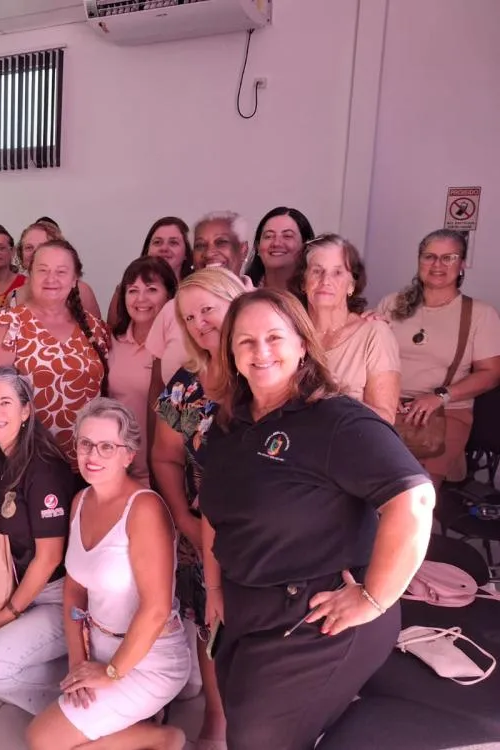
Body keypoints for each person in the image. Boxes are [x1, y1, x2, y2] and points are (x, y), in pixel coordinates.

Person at [198, 288, 435, 750]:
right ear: (231, 352)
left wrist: (373, 598)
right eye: (245, 341)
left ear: (302, 343)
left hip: (316, 617)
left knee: (257, 739)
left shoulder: (336, 420)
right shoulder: (231, 424)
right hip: (248, 609)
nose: (260, 352)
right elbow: (213, 510)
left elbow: (414, 499)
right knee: (245, 725)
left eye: (274, 337)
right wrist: (213, 588)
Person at [27, 398, 189, 750]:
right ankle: (141, 726)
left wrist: (112, 672)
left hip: (150, 660)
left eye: (106, 446)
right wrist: (78, 661)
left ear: (128, 455)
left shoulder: (144, 509)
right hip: (99, 646)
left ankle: (164, 738)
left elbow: (156, 608)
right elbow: (73, 589)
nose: (92, 455)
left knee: (42, 740)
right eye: (85, 444)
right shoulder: (81, 500)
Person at [150, 268, 247, 749]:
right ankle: (217, 715)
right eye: (189, 317)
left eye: (208, 308)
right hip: (199, 527)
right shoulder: (184, 385)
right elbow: (164, 455)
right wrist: (186, 522)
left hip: (263, 532)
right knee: (210, 623)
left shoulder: (266, 370)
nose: (200, 322)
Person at [0, 366, 76, 714]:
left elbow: (49, 557)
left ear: (26, 410)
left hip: (57, 595)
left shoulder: (42, 468)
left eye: (5, 403)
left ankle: (85, 709)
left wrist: (10, 612)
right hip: (19, 583)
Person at [376, 229, 500, 485]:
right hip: (387, 407)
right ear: (419, 261)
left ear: (462, 264)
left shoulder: (480, 314)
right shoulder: (393, 303)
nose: (437, 265)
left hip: (443, 414)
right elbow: (372, 356)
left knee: (414, 491)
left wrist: (439, 396)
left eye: (449, 258)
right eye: (429, 257)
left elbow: (491, 373)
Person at [0, 239, 110, 466]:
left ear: (74, 280)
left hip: (89, 461)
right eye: (43, 270)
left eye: (61, 272)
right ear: (29, 276)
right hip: (26, 463)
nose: (52, 279)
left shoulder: (95, 328)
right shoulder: (9, 324)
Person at [146, 211, 254, 396]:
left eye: (221, 242)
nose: (209, 252)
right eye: (200, 245)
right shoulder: (172, 308)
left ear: (243, 249)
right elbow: (156, 388)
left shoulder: (264, 307)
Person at [299, 234, 399, 423]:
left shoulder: (375, 333)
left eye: (337, 272)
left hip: (348, 446)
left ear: (351, 285)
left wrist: (330, 399)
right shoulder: (288, 330)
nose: (325, 280)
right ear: (303, 282)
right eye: (317, 271)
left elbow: (386, 419)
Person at [107, 256, 177, 486]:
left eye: (151, 289)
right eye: (133, 290)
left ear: (169, 295)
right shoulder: (111, 341)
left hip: (162, 473)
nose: (141, 299)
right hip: (116, 470)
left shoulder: (178, 348)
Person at [107, 217, 191, 327]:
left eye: (173, 243)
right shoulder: (123, 290)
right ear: (147, 250)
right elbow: (113, 334)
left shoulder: (196, 291)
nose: (164, 248)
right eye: (157, 242)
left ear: (186, 253)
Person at [12, 222, 102, 319]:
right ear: (21, 254)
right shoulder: (13, 296)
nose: (35, 252)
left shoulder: (82, 291)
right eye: (29, 247)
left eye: (43, 246)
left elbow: (96, 332)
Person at [246, 207, 315, 290]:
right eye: (269, 236)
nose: (276, 243)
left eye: (287, 236)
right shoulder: (240, 293)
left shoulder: (316, 295)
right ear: (258, 246)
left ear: (306, 245)